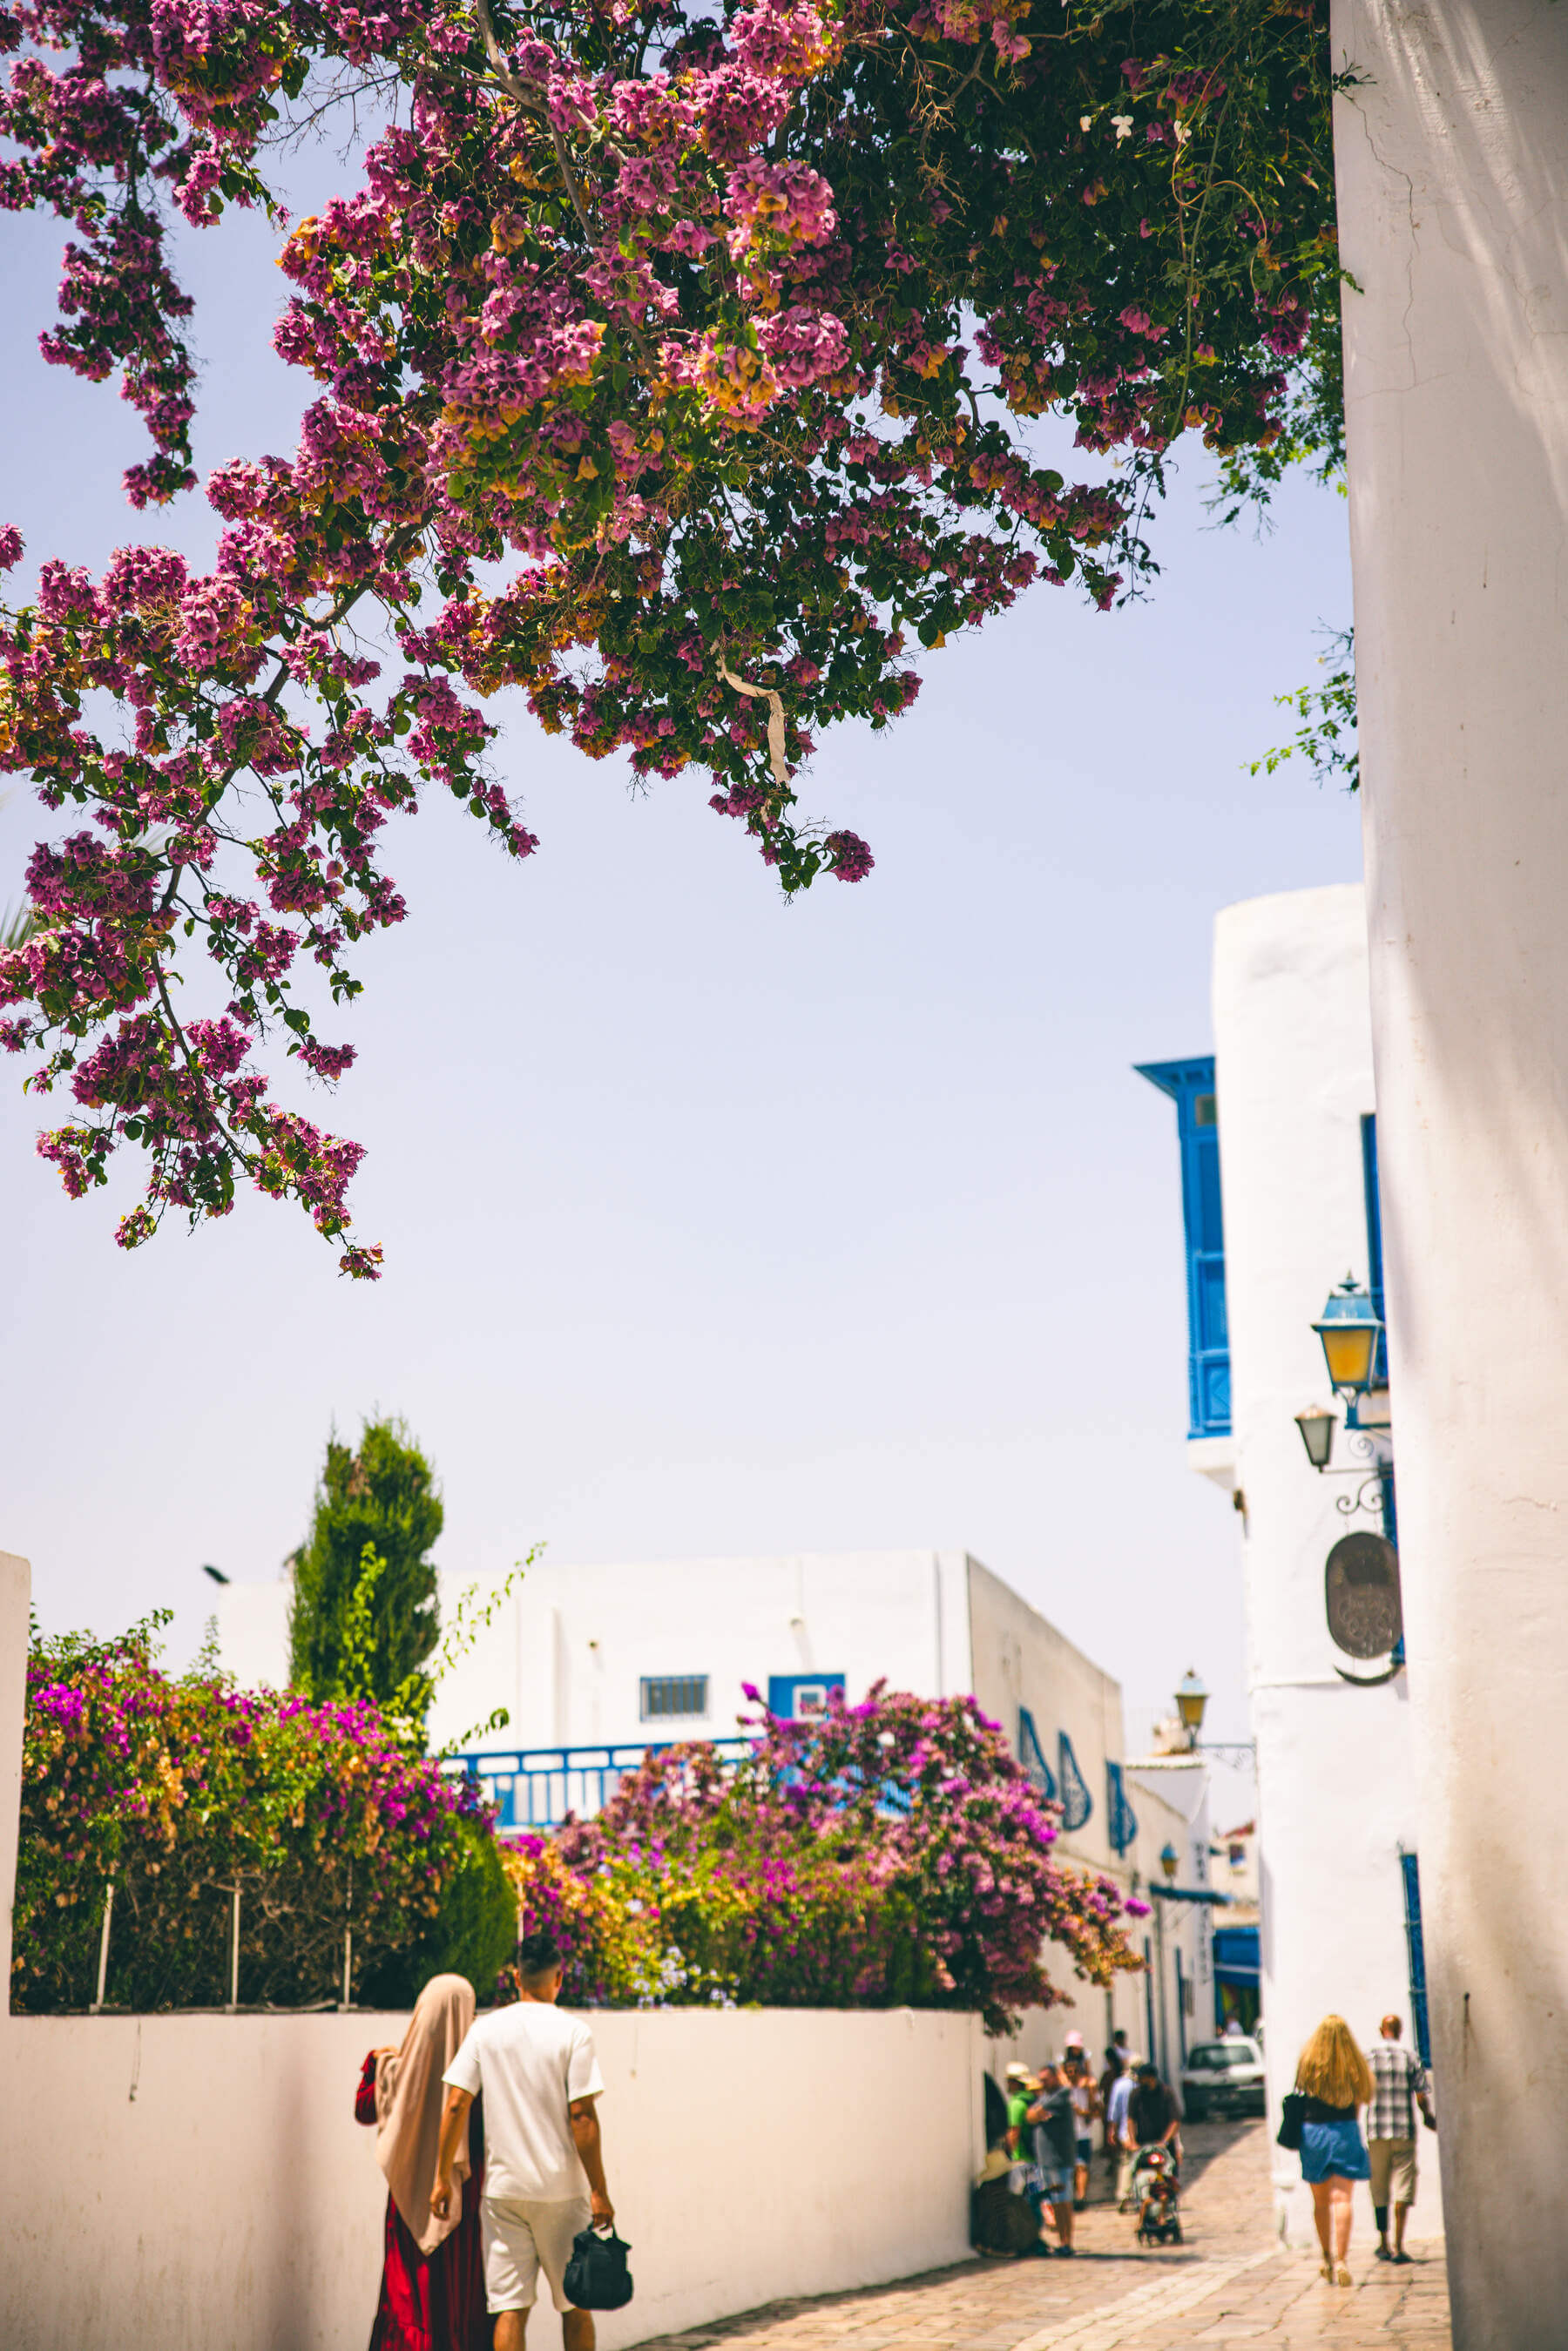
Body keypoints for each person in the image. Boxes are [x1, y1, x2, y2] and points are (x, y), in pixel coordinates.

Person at [433, 1932, 614, 2351]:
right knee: (575, 2305)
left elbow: (456, 2103)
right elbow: (582, 2115)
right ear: (560, 1977)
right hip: (561, 2193)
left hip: (503, 2193)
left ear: (516, 1977)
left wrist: (442, 2177)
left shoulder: (487, 2030)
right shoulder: (574, 2033)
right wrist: (599, 2191)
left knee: (510, 2309)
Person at [356, 1972, 488, 2351]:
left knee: (409, 2295)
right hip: (462, 2201)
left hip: (409, 2200)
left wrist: (377, 2064)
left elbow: (364, 2110)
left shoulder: (394, 2071)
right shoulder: (481, 2071)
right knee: (459, 2299)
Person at [1292, 2015, 1374, 2287]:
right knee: (1343, 2199)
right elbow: (1362, 2098)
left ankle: (1325, 2256)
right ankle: (1342, 2260)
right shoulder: (1354, 2065)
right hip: (1345, 2130)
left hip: (1313, 2131)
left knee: (1321, 2201)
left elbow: (1300, 2093)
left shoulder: (1308, 2062)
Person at [1365, 2014, 1435, 2265]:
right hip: (1403, 2129)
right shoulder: (1410, 2056)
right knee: (1403, 2187)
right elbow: (1420, 2095)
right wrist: (1427, 2116)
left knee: (1379, 2186)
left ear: (1380, 2029)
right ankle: (1399, 2244)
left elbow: (1361, 2092)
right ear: (1401, 2030)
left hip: (1376, 2130)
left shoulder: (1369, 2056)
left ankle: (1383, 2242)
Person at [1025, 2062, 1078, 2255]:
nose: (1042, 2083)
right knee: (1055, 2202)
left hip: (1060, 2159)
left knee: (1064, 2201)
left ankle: (1067, 2243)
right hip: (1046, 2160)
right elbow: (1030, 2116)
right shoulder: (1046, 2096)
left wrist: (1035, 2114)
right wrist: (1035, 2114)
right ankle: (1063, 2241)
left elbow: (1034, 2114)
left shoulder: (1061, 2096)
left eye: (1045, 2079)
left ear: (1056, 2077)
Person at [1063, 2047, 1101, 2212]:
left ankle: (1081, 2196)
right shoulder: (1062, 2091)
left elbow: (1098, 2111)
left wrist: (1083, 2112)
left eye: (1074, 2071)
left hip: (1083, 2134)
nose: (1071, 2074)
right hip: (1066, 2135)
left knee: (1082, 2166)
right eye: (1068, 2071)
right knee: (1070, 2168)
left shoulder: (1088, 2088)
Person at [1129, 2062, 1181, 2169]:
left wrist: (1164, 2141)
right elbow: (1131, 2119)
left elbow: (1175, 2120)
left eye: (1141, 2078)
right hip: (1143, 2145)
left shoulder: (1166, 2093)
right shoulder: (1136, 2094)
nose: (1139, 2080)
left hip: (1165, 2146)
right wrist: (1133, 2142)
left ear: (1151, 2078)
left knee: (1170, 2178)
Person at [1105, 2058, 1137, 2207]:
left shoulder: (1119, 2084)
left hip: (1124, 2131)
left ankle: (1123, 2194)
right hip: (1138, 2130)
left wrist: (1111, 2129)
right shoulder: (1139, 2085)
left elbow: (1114, 2110)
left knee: (1125, 2162)